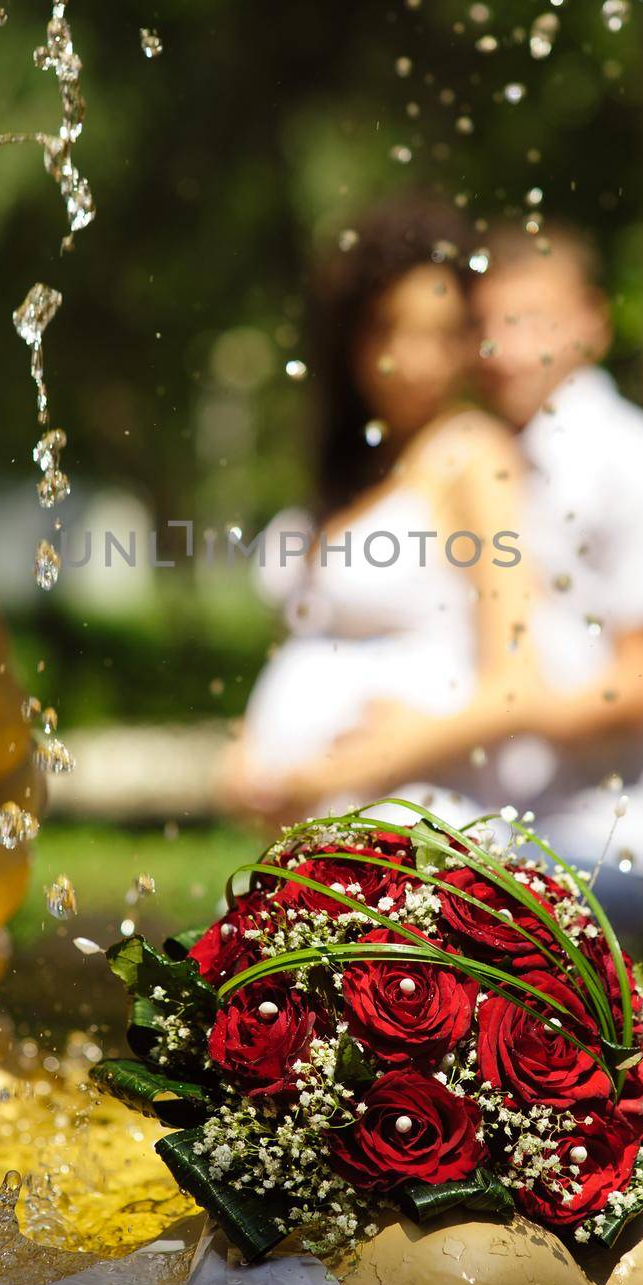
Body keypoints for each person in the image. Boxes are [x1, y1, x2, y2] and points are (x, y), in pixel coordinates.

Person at [233, 221, 643, 936]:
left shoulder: (641, 467)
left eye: (534, 322)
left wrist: (411, 738)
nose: (506, 348)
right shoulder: (485, 458)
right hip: (497, 821)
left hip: (597, 841)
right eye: (489, 325)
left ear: (595, 321)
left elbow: (637, 689)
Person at [218, 197, 543, 825]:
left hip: (415, 833)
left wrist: (344, 769)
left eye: (441, 334)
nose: (413, 360)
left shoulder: (473, 456)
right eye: (388, 328)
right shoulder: (351, 468)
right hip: (316, 835)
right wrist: (247, 753)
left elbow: (518, 686)